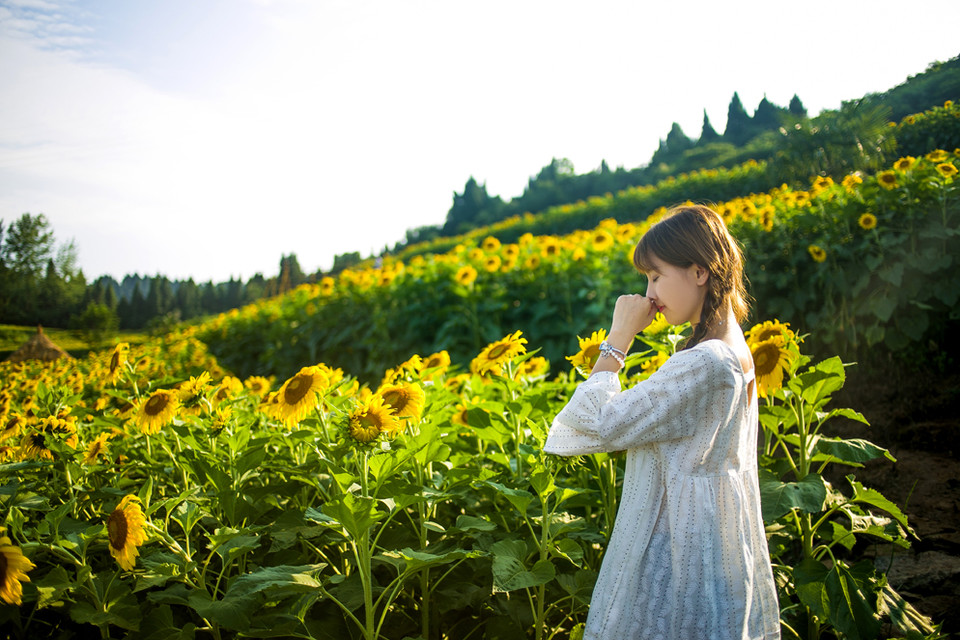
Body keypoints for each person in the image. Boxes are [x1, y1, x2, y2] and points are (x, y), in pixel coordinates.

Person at [544, 205, 781, 639]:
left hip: (679, 547)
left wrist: (618, 338)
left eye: (655, 276)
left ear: (699, 271)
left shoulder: (705, 362)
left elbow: (595, 422)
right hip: (712, 537)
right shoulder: (732, 347)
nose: (649, 293)